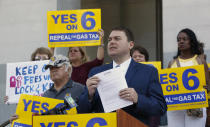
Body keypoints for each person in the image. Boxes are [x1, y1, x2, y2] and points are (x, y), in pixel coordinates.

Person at [77, 26, 167, 125]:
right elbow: (81, 110)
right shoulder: (96, 73)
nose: (111, 42)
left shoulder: (148, 72)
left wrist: (138, 99)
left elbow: (160, 107)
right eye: (109, 39)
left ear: (131, 45)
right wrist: (89, 95)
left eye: (117, 39)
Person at [167, 28, 210, 127]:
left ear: (191, 41)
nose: (181, 41)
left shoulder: (200, 61)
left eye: (184, 39)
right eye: (178, 40)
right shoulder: (171, 63)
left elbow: (208, 84)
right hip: (175, 107)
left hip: (196, 105)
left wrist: (206, 89)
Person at [131, 45, 160, 127]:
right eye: (135, 57)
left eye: (141, 56)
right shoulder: (126, 72)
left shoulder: (153, 71)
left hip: (151, 109)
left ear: (146, 59)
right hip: (134, 110)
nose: (137, 58)